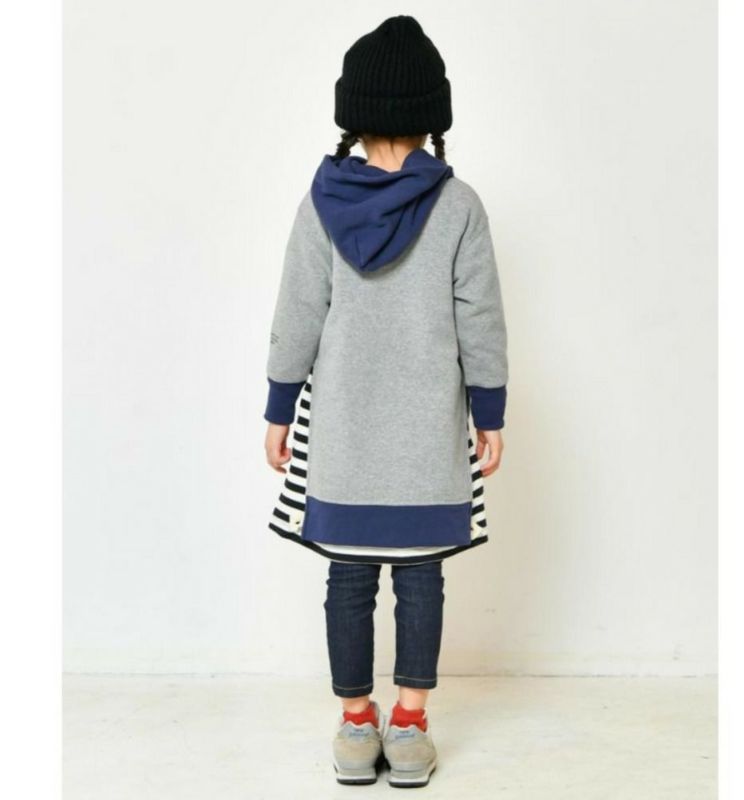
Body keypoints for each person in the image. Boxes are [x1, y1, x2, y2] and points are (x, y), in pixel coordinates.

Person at [262, 15, 508, 788]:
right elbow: (481, 319)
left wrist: (278, 407)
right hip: (428, 434)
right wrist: (490, 413)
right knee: (421, 577)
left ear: (353, 114)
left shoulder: (320, 204)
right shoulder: (459, 205)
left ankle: (354, 726)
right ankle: (408, 726)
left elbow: (297, 312)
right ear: (433, 116)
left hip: (343, 432)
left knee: (347, 579)